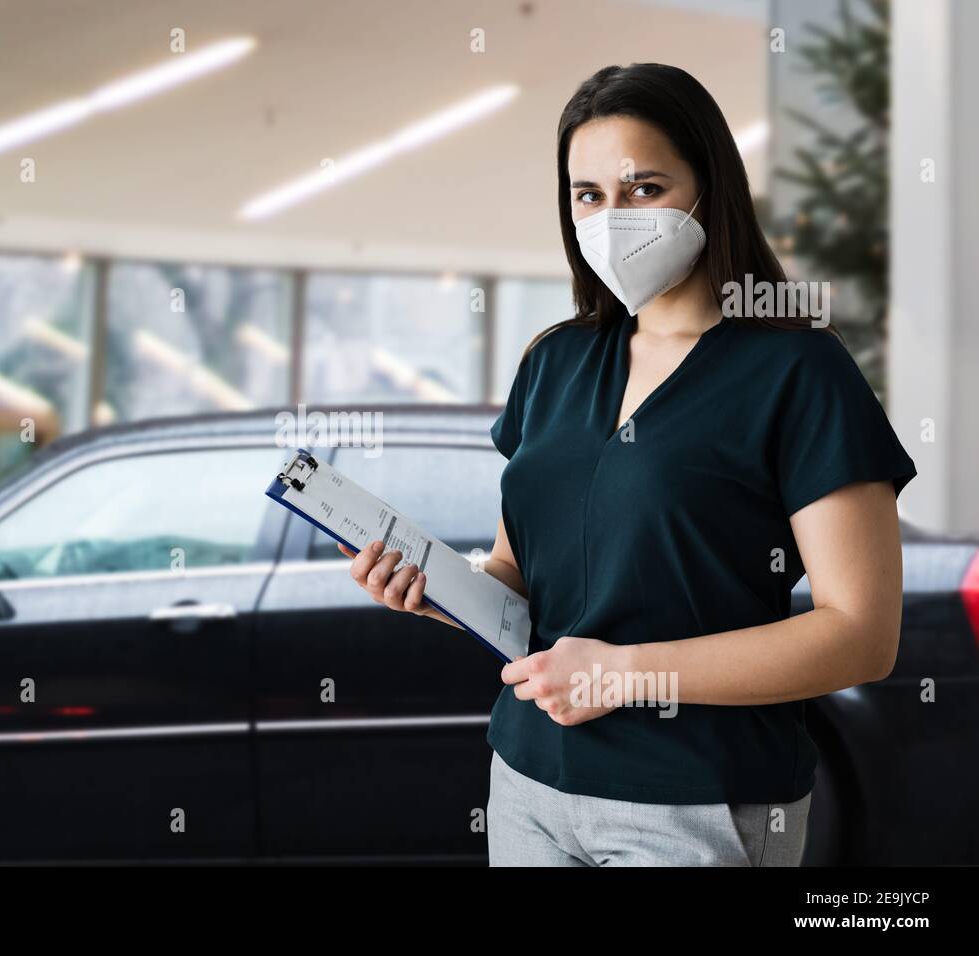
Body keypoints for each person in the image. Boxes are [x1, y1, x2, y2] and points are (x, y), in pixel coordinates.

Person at [338, 62, 916, 866]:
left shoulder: (798, 372)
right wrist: (438, 590)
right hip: (530, 783)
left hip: (693, 801)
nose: (613, 217)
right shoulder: (556, 361)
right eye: (589, 195)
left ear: (709, 188)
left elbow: (860, 637)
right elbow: (519, 576)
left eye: (644, 188)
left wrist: (623, 676)